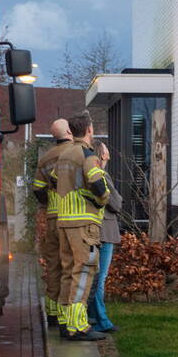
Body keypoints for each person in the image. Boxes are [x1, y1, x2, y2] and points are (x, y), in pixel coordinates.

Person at [55, 110, 110, 341]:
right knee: (84, 272)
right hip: (83, 224)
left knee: (68, 272)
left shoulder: (64, 154)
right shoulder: (87, 155)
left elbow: (54, 182)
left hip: (64, 221)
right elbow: (97, 184)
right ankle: (78, 326)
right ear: (89, 130)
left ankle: (65, 320)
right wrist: (103, 198)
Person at [32, 118, 74, 327]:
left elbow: (38, 189)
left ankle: (52, 313)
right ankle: (68, 316)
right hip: (72, 218)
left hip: (52, 218)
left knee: (53, 266)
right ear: (69, 131)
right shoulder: (76, 153)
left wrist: (50, 203)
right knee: (70, 267)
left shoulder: (45, 158)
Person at [87, 141, 122, 333]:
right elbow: (116, 202)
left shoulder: (89, 175)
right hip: (105, 231)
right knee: (100, 278)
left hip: (95, 229)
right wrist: (118, 200)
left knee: (94, 277)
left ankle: (93, 315)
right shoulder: (102, 175)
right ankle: (102, 320)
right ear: (101, 155)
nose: (108, 156)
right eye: (106, 152)